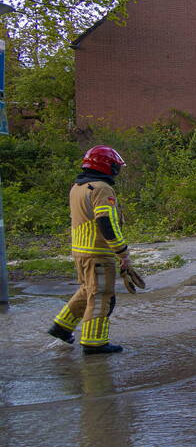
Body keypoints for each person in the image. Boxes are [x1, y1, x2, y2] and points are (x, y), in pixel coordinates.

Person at [47, 146, 131, 354]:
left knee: (87, 290)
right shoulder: (102, 188)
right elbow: (106, 222)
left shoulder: (78, 187)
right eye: (114, 167)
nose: (116, 171)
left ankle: (61, 327)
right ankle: (95, 342)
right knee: (102, 296)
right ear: (106, 166)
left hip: (80, 252)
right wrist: (122, 252)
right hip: (98, 253)